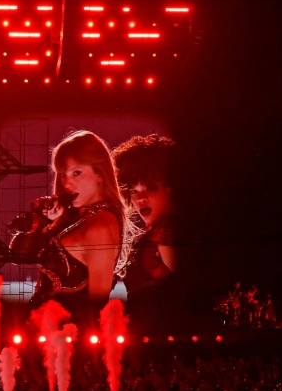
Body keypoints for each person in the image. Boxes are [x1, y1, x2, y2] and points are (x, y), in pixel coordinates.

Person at [10, 130, 135, 314]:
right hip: (45, 328)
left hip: (66, 334)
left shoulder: (101, 225)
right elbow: (17, 255)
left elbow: (98, 304)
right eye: (63, 174)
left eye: (77, 173)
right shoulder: (76, 215)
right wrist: (44, 220)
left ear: (100, 173)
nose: (67, 183)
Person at [113, 134, 179, 313]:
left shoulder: (167, 231)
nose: (140, 198)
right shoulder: (157, 230)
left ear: (170, 188)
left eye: (150, 187)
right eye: (134, 191)